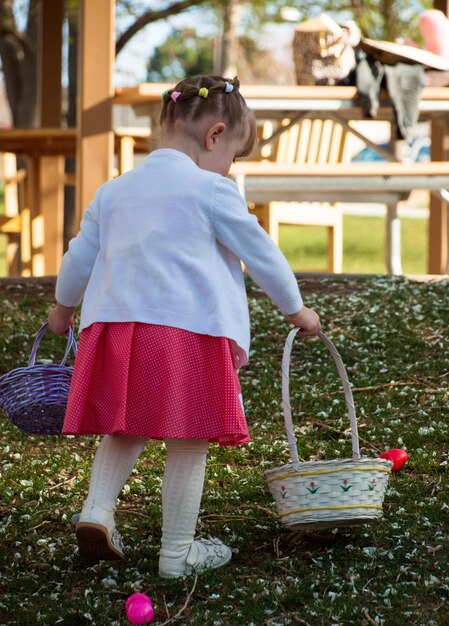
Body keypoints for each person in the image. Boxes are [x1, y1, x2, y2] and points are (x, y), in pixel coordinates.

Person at [48, 74, 321, 578]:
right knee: (190, 441)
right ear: (215, 135)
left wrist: (63, 310)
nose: (230, 167)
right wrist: (296, 309)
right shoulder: (213, 190)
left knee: (123, 427)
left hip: (114, 332)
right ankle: (177, 553)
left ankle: (96, 510)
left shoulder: (113, 191)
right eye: (234, 155)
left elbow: (78, 256)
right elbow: (261, 253)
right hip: (186, 331)